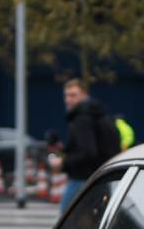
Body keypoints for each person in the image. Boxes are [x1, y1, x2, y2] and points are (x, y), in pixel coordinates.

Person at [51, 79, 120, 209]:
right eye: (66, 95)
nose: (68, 99)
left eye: (73, 95)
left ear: (84, 95)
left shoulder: (82, 118)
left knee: (66, 217)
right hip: (100, 177)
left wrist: (63, 162)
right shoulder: (97, 114)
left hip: (82, 178)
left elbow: (88, 152)